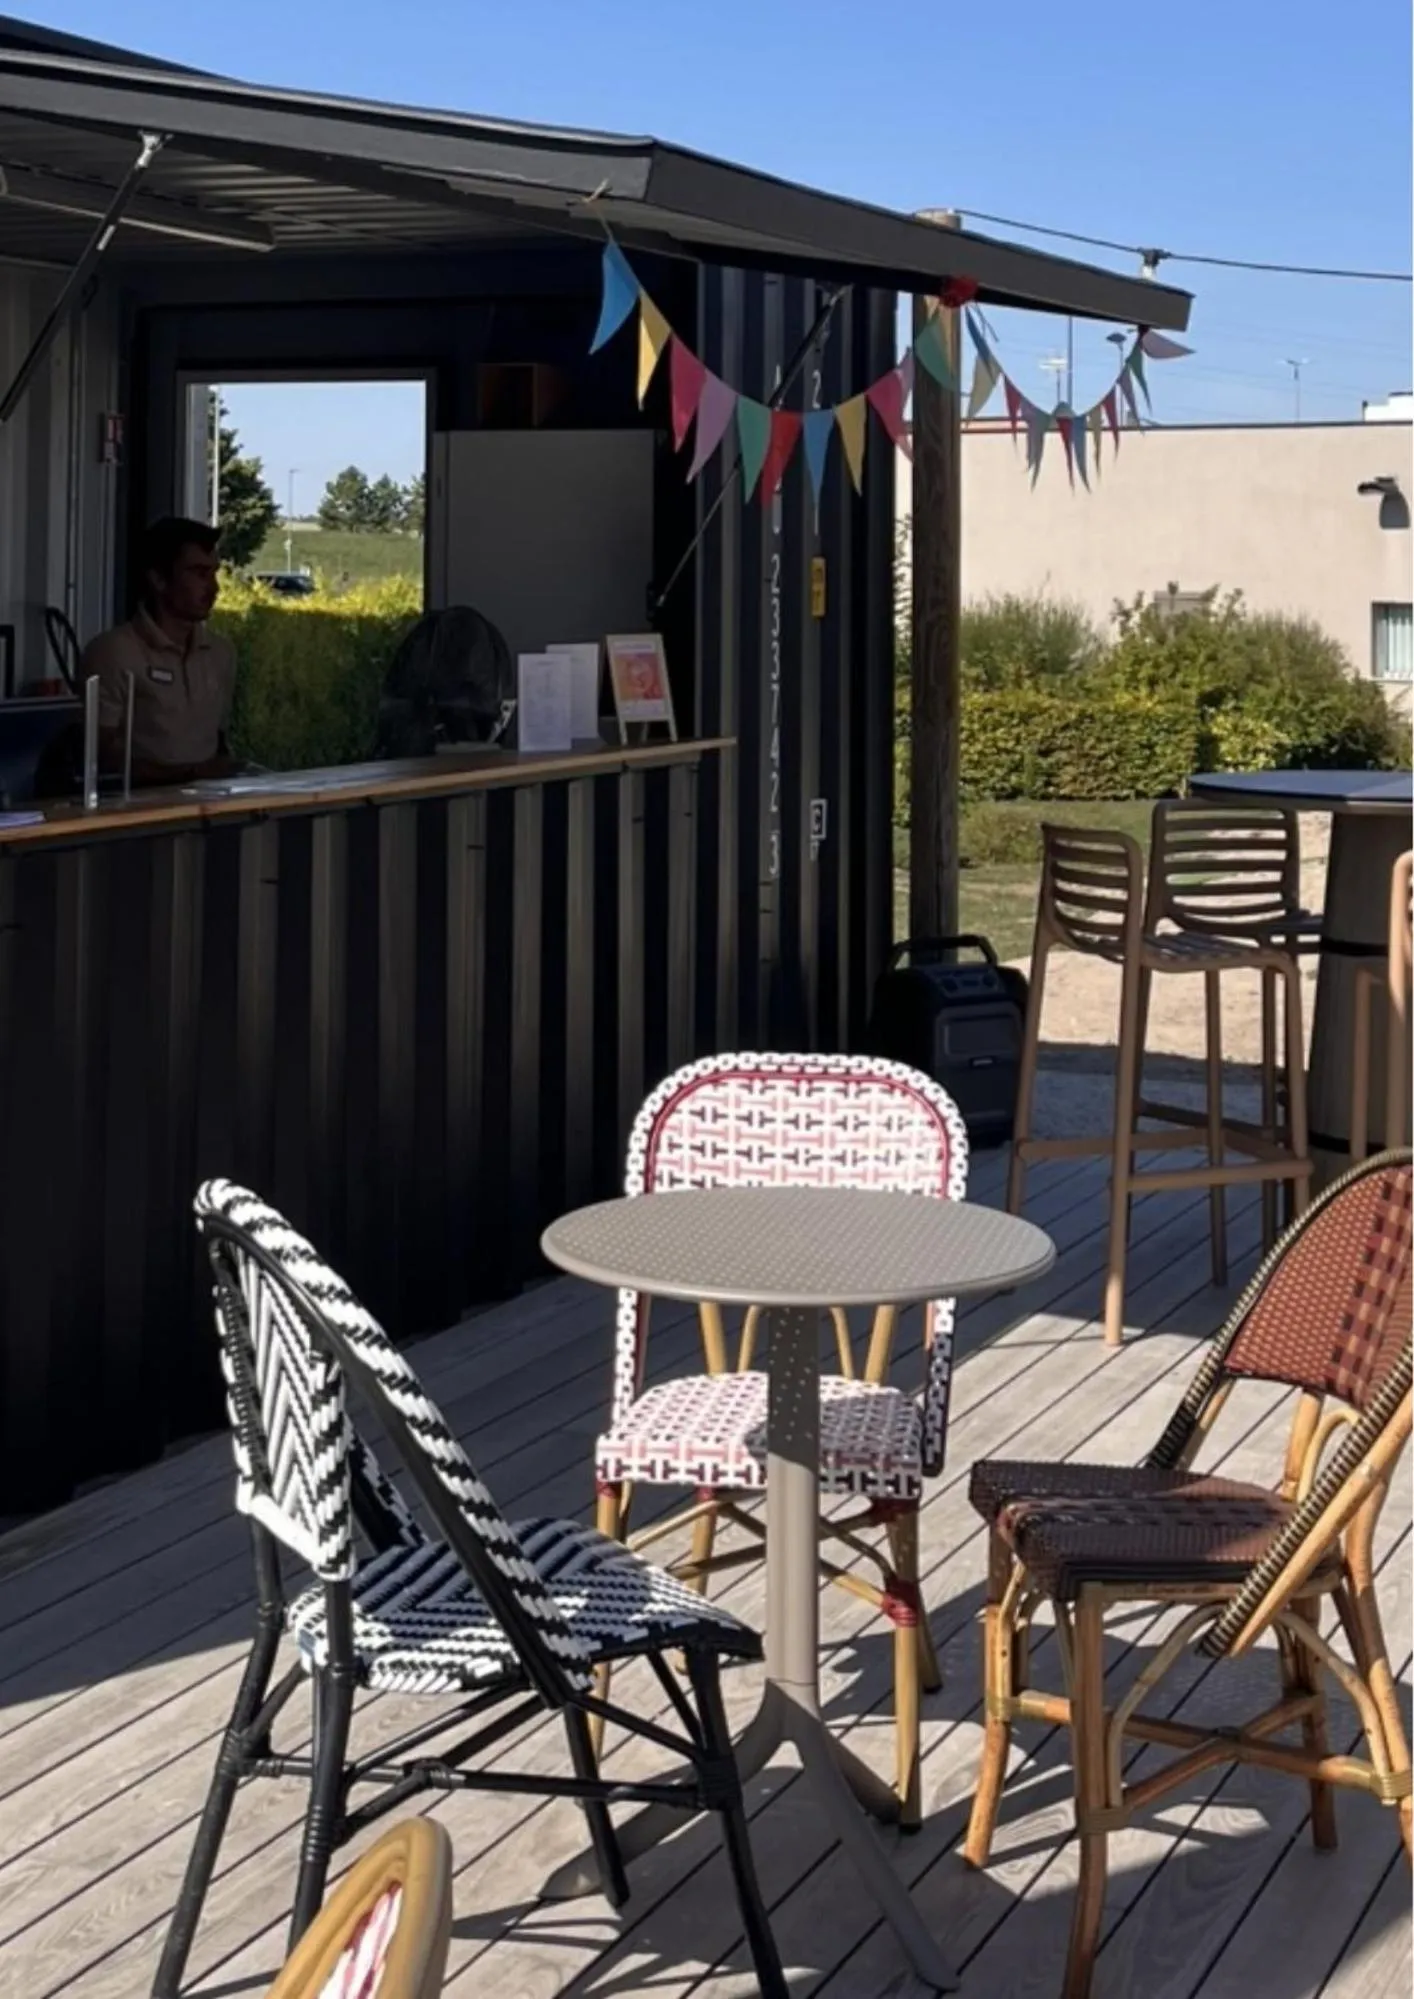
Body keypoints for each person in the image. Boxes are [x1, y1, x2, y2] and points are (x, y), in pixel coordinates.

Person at [80, 516, 242, 789]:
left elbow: (218, 739)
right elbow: (99, 757)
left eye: (214, 573)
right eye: (199, 574)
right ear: (158, 579)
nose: (214, 588)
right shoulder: (113, 652)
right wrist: (191, 775)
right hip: (137, 815)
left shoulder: (220, 654)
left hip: (207, 814)